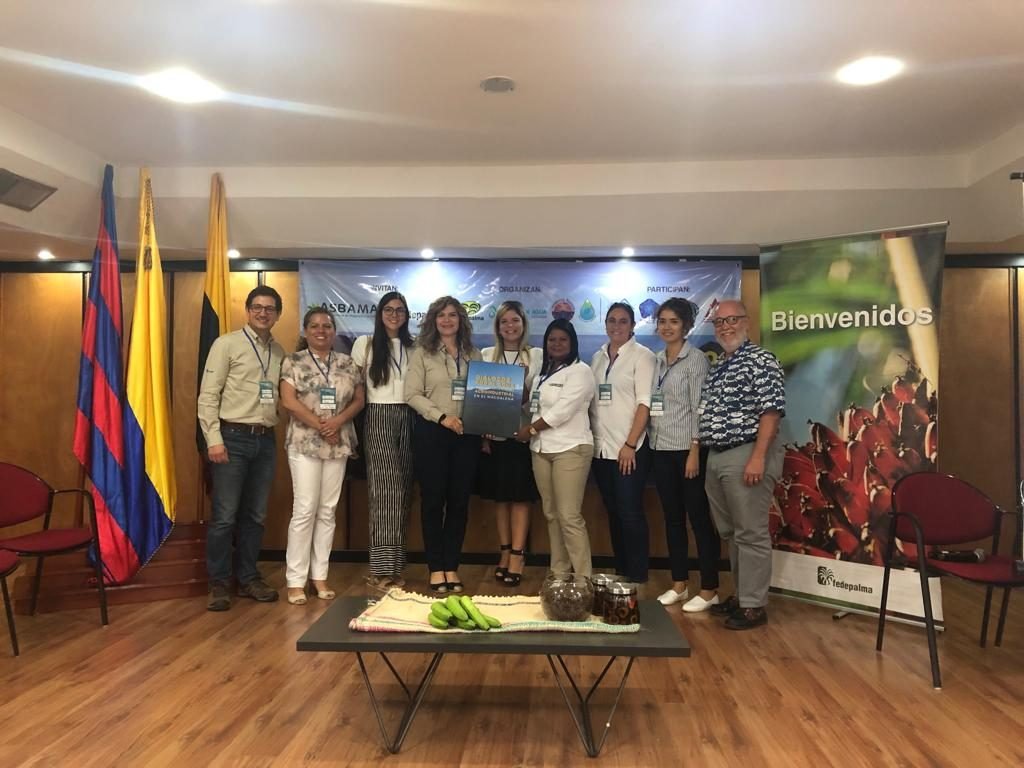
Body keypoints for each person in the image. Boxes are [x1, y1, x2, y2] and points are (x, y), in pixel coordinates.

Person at [698, 299, 786, 630]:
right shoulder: (721, 364)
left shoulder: (760, 360)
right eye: (719, 322)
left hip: (747, 453)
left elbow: (771, 412)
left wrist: (758, 457)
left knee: (750, 532)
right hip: (718, 455)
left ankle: (754, 606)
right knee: (732, 532)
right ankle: (742, 594)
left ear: (746, 322)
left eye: (732, 320)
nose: (726, 327)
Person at [198, 285, 286, 611]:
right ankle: (219, 582)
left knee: (256, 515)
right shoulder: (226, 344)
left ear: (278, 314)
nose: (263, 313)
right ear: (248, 311)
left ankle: (248, 577)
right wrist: (214, 439)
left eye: (270, 308)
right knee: (224, 515)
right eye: (257, 307)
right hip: (231, 438)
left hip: (265, 439)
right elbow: (208, 395)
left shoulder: (278, 351)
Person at [280, 307, 364, 605]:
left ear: (334, 331)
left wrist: (337, 423)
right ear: (305, 331)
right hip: (304, 443)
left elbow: (359, 399)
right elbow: (288, 400)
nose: (321, 330)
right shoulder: (293, 361)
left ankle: (319, 576)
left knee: (327, 511)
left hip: (337, 443)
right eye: (314, 326)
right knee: (305, 509)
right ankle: (295, 580)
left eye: (326, 326)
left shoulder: (347, 362)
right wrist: (321, 425)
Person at [404, 296, 483, 593]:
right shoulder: (422, 353)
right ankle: (436, 567)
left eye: (452, 315)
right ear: (433, 320)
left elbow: (483, 393)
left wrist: (487, 420)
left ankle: (452, 566)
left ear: (461, 319)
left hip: (467, 436)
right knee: (433, 501)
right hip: (433, 433)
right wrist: (441, 417)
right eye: (441, 315)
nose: (447, 320)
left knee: (460, 503)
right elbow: (411, 394)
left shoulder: (474, 353)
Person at [648, 298, 721, 612]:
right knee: (672, 520)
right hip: (660, 449)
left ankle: (709, 588)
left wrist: (694, 449)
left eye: (674, 321)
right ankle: (679, 584)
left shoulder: (696, 360)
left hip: (687, 451)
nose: (667, 327)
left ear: (687, 326)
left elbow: (699, 409)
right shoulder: (656, 360)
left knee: (699, 519)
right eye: (662, 321)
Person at [514, 319, 595, 577]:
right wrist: (519, 383)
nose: (557, 344)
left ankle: (583, 580)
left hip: (570, 449)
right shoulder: (542, 374)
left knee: (569, 516)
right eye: (552, 339)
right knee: (551, 514)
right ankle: (559, 574)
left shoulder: (581, 371)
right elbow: (531, 407)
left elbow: (562, 412)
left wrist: (530, 430)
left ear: (572, 342)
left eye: (563, 339)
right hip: (541, 450)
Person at [351, 291, 416, 588]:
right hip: (378, 415)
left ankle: (395, 566)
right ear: (380, 314)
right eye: (388, 309)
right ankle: (380, 569)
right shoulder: (364, 344)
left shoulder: (415, 346)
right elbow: (353, 388)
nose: (394, 315)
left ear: (407, 315)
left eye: (400, 310)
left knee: (403, 493)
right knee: (384, 492)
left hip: (410, 416)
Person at [589, 302, 657, 585]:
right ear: (605, 324)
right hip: (601, 449)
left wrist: (629, 445)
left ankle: (638, 575)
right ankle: (622, 570)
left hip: (629, 448)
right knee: (613, 512)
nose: (617, 326)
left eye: (623, 321)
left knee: (630, 512)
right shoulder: (597, 357)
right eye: (612, 320)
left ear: (632, 325)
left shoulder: (643, 356)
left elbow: (645, 404)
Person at [478, 301, 542, 587]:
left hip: (522, 437)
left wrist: (523, 383)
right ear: (497, 326)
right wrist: (483, 434)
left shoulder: (537, 356)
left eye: (515, 320)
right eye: (504, 321)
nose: (510, 326)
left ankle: (518, 554)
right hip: (495, 439)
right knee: (500, 498)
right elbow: (480, 399)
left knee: (520, 498)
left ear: (523, 324)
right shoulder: (486, 355)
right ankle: (504, 552)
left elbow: (536, 401)